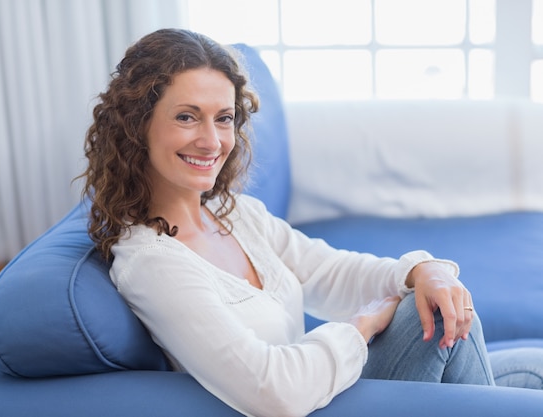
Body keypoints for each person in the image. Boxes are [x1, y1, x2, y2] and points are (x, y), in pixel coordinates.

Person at [79, 28, 542, 417]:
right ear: (139, 125)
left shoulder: (234, 215)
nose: (211, 140)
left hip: (330, 385)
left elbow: (328, 270)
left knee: (532, 367)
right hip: (308, 405)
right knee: (441, 321)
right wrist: (359, 328)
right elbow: (271, 389)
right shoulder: (151, 263)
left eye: (223, 119)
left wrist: (424, 270)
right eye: (186, 117)